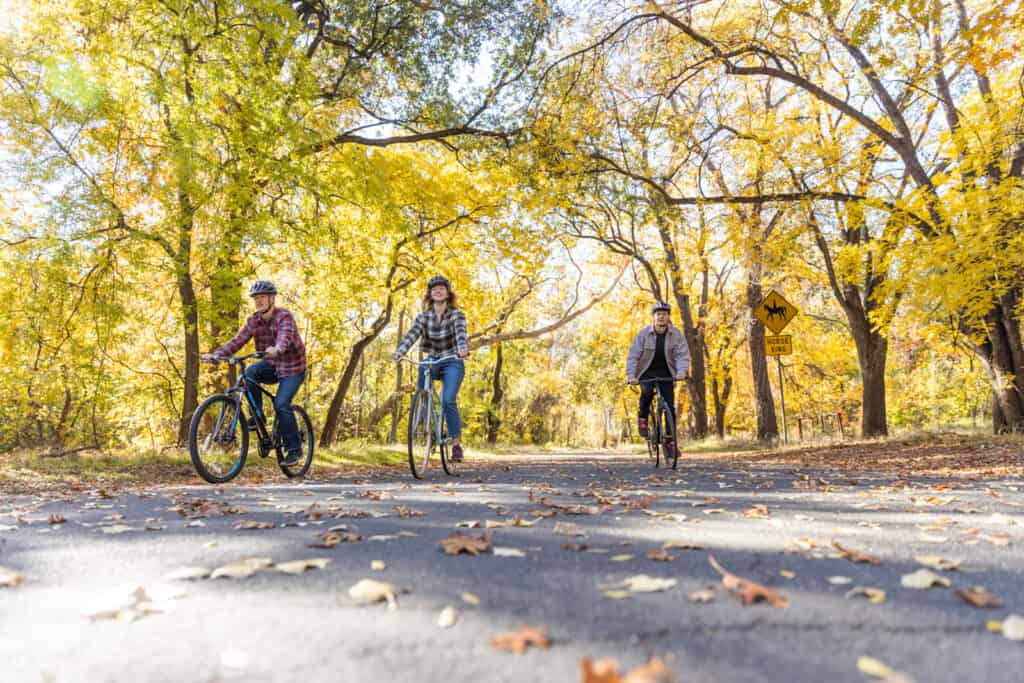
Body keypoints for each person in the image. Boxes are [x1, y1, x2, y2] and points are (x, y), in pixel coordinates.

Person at [202, 280, 307, 466]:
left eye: (262, 297)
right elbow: (237, 341)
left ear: (272, 298)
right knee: (249, 373)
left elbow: (285, 336)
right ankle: (258, 417)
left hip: (292, 367)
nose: (259, 301)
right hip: (272, 364)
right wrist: (216, 355)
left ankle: (294, 450)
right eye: (256, 298)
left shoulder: (284, 317)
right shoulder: (253, 321)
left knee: (282, 404)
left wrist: (277, 348)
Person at [392, 275, 469, 461]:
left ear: (448, 292)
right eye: (434, 288)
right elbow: (412, 335)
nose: (438, 290)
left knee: (448, 400)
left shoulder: (457, 315)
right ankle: (424, 414)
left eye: (442, 288)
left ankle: (456, 444)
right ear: (430, 294)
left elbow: (460, 333)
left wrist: (463, 349)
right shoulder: (423, 317)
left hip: (452, 360)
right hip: (433, 359)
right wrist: (400, 351)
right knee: (423, 370)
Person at [626, 301, 690, 453]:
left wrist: (681, 372)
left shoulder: (676, 334)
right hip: (647, 371)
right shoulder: (643, 334)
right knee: (646, 393)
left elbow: (683, 355)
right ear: (654, 317)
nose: (661, 317)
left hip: (666, 372)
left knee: (670, 406)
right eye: (658, 314)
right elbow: (633, 356)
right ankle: (643, 419)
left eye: (664, 314)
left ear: (668, 317)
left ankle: (669, 441)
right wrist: (631, 376)